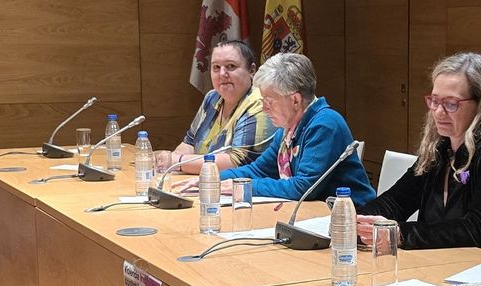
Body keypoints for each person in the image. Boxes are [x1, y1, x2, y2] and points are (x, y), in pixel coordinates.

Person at [357, 52, 481, 265]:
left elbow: (475, 229)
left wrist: (400, 233)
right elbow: (395, 201)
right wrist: (357, 221)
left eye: (451, 104)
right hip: (450, 267)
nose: (438, 112)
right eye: (435, 101)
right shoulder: (440, 149)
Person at [194, 52, 375, 204]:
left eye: (269, 102)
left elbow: (303, 188)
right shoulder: (287, 128)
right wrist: (213, 179)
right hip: (313, 217)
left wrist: (244, 187)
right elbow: (259, 170)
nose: (264, 109)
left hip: (352, 221)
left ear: (295, 100)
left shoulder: (325, 124)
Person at [159, 40, 275, 175]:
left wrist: (177, 162)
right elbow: (189, 143)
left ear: (252, 70)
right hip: (203, 183)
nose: (222, 74)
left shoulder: (259, 103)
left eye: (231, 66)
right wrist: (171, 161)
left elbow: (236, 162)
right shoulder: (212, 97)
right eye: (216, 67)